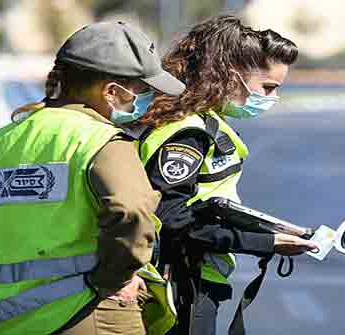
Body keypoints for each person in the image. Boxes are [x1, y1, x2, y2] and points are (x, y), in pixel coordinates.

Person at [0, 21, 185, 335]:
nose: (148, 98)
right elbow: (131, 214)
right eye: (143, 89)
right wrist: (112, 280)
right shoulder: (101, 142)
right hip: (85, 314)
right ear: (112, 92)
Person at [131, 15, 318, 335]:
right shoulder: (188, 133)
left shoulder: (201, 122)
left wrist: (268, 227)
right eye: (268, 87)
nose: (272, 98)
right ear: (231, 77)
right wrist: (266, 242)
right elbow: (172, 221)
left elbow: (206, 203)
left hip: (192, 281)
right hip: (178, 285)